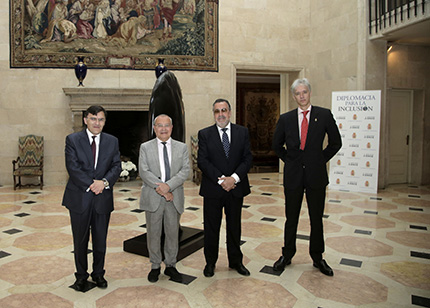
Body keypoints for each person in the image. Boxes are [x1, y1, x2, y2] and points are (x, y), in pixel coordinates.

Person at [272, 78, 342, 276]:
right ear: (294, 96)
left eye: (304, 92)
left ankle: (318, 256)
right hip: (293, 176)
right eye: (297, 93)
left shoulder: (324, 115)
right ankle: (287, 254)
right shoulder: (286, 119)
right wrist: (290, 160)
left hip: (316, 175)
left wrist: (320, 159)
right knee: (291, 218)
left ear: (309, 93)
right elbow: (276, 145)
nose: (301, 96)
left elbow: (336, 143)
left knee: (316, 218)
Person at [62, 105, 121, 291]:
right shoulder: (73, 139)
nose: (97, 123)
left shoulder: (112, 141)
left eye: (101, 119)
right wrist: (91, 184)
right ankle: (80, 276)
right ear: (85, 119)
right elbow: (72, 167)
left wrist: (103, 183)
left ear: (105, 122)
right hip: (79, 198)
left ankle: (98, 274)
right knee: (80, 241)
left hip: (102, 198)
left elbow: (116, 166)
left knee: (100, 240)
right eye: (93, 119)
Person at [197, 98, 253, 277]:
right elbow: (203, 161)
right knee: (211, 227)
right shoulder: (205, 134)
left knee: (234, 227)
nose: (220, 114)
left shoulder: (242, 132)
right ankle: (210, 263)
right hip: (214, 189)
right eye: (217, 111)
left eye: (223, 110)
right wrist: (222, 180)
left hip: (236, 188)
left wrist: (234, 179)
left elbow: (247, 159)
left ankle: (236, 261)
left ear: (229, 112)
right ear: (213, 114)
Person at [138, 114, 190, 283]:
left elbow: (185, 171)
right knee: (153, 233)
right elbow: (144, 171)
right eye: (159, 125)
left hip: (174, 197)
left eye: (166, 125)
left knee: (172, 232)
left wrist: (168, 186)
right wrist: (161, 188)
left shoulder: (181, 147)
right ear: (154, 128)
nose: (163, 128)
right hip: (153, 196)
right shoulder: (145, 147)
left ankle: (170, 265)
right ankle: (154, 266)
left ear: (172, 128)